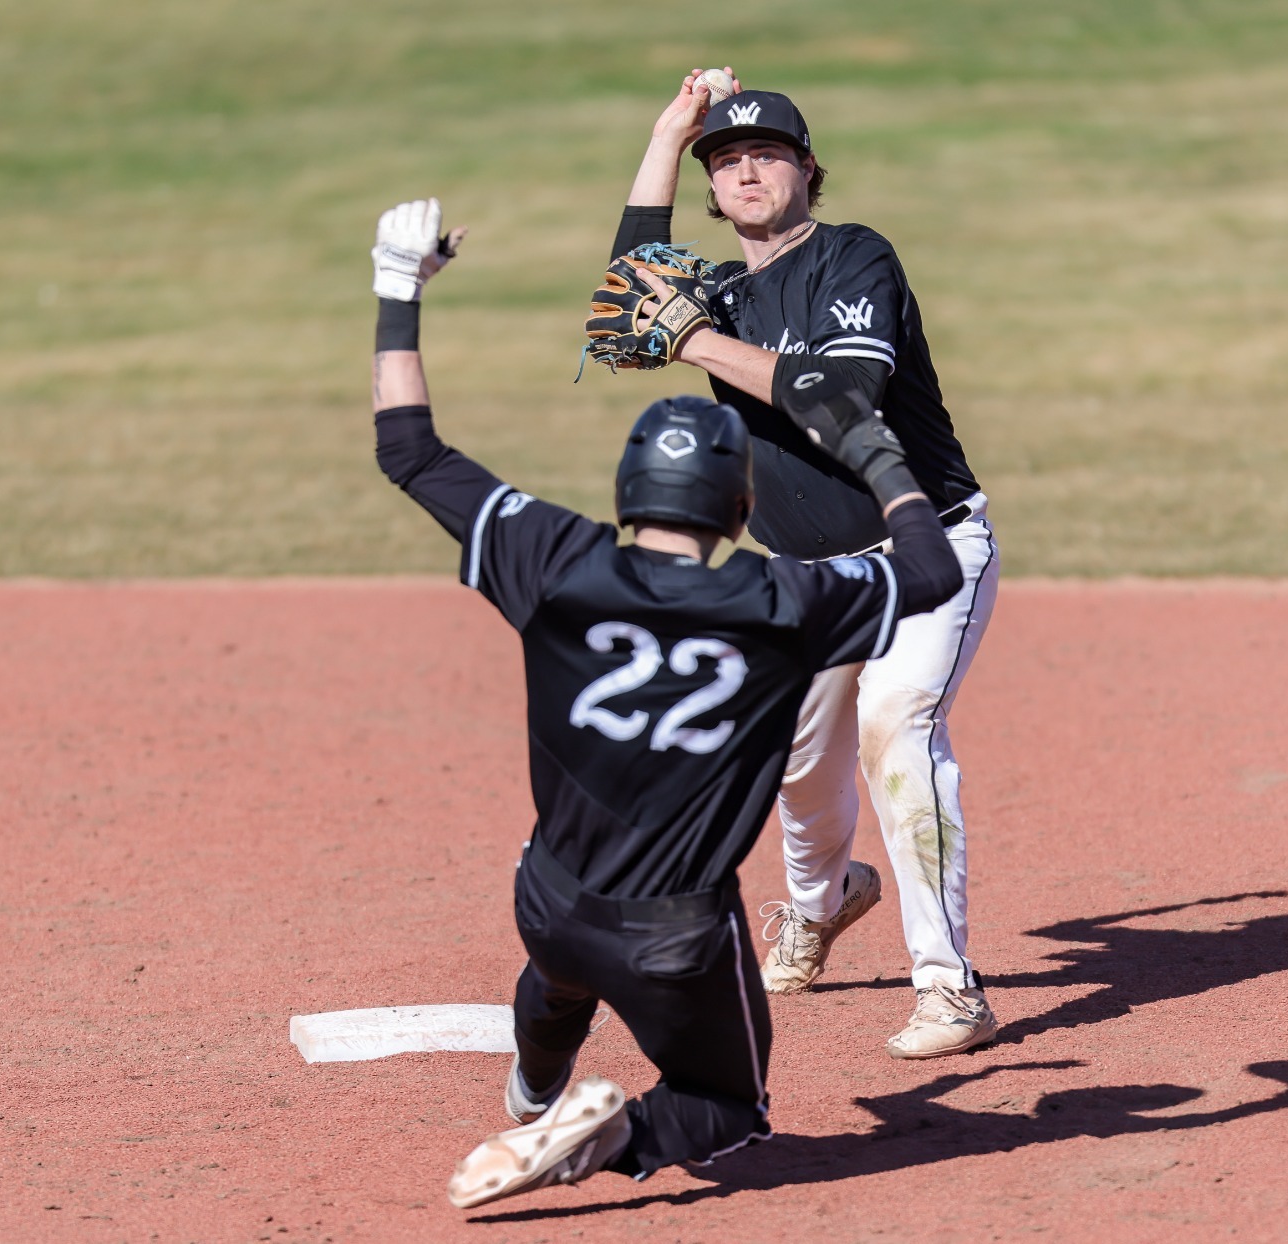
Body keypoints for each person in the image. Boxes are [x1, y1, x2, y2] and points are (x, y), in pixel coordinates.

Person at [364, 197, 963, 1210]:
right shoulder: (784, 600)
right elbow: (933, 569)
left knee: (560, 969)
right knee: (726, 1106)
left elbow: (409, 450)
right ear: (740, 508)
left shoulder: (552, 558)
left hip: (549, 900)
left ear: (625, 489)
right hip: (675, 940)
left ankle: (534, 1082)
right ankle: (602, 1137)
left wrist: (396, 286)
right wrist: (873, 453)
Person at [605, 71, 1002, 1058]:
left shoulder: (854, 256)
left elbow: (841, 389)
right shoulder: (720, 291)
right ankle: (819, 904)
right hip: (802, 573)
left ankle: (948, 986)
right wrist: (666, 136)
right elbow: (628, 295)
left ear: (805, 169)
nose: (746, 172)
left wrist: (697, 341)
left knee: (894, 723)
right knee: (795, 760)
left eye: (766, 155)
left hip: (922, 548)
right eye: (726, 161)